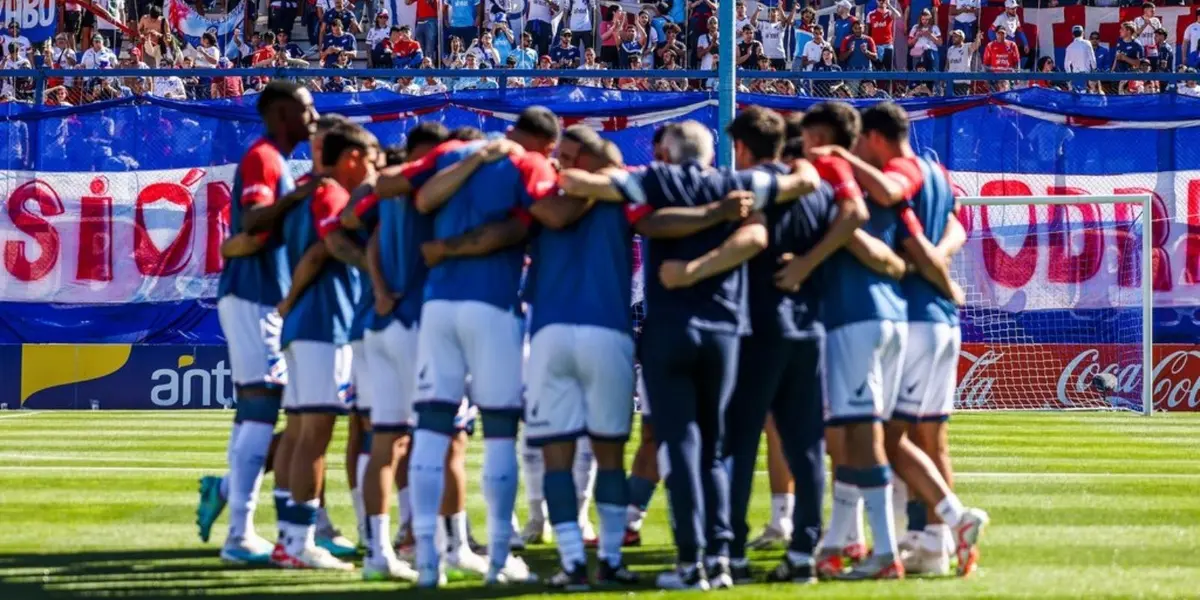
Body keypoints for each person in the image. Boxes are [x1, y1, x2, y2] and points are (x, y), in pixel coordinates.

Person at [557, 119, 824, 591]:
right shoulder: (734, 182)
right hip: (725, 331)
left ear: (668, 152)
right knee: (718, 450)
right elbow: (801, 182)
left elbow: (578, 182)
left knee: (679, 445)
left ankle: (690, 563)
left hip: (669, 330)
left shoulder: (652, 180)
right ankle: (721, 557)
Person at [370, 107, 561, 588]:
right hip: (493, 305)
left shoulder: (451, 153)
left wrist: (462, 172)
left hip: (437, 308)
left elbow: (390, 186)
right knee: (499, 434)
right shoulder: (527, 163)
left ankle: (430, 565)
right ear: (545, 143)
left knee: (431, 431)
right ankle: (498, 559)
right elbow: (543, 217)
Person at [721, 104, 869, 585]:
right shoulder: (819, 192)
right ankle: (805, 548)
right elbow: (852, 218)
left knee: (741, 441)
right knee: (806, 444)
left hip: (758, 326)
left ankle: (733, 550)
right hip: (809, 328)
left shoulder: (751, 190)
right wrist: (807, 263)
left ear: (743, 147)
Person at [196, 81, 318, 565]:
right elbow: (251, 223)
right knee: (265, 406)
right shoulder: (265, 158)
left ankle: (227, 495)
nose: (314, 114)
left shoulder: (277, 159)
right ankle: (239, 533)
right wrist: (302, 196)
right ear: (284, 112)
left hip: (262, 295)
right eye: (307, 107)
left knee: (263, 408)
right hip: (252, 294)